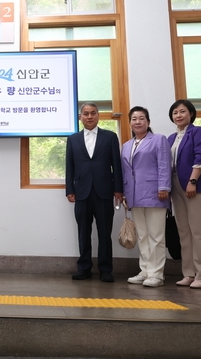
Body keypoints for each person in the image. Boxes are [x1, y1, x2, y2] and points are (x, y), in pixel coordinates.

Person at [65, 102, 123, 283]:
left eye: (93, 113)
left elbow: (117, 165)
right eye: (86, 114)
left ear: (98, 116)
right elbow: (69, 167)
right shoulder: (73, 139)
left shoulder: (110, 137)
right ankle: (84, 267)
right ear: (80, 117)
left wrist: (118, 189)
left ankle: (106, 269)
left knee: (104, 233)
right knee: (83, 232)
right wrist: (70, 189)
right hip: (81, 192)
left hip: (104, 192)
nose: (89, 116)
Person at [121, 106, 171, 288]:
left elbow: (164, 165)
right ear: (130, 123)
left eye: (141, 118)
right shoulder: (126, 145)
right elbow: (126, 172)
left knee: (156, 236)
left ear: (148, 122)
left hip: (155, 193)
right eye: (134, 119)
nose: (137, 122)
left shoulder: (158, 140)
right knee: (142, 235)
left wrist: (164, 186)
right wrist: (125, 193)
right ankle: (145, 270)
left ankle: (157, 274)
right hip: (134, 195)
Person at [167, 99, 201, 289]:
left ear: (191, 114)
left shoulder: (198, 132)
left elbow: (200, 156)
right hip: (176, 186)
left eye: (182, 111)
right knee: (183, 231)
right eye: (175, 112)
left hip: (194, 185)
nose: (178, 115)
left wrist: (193, 181)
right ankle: (188, 273)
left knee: (197, 231)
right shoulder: (170, 138)